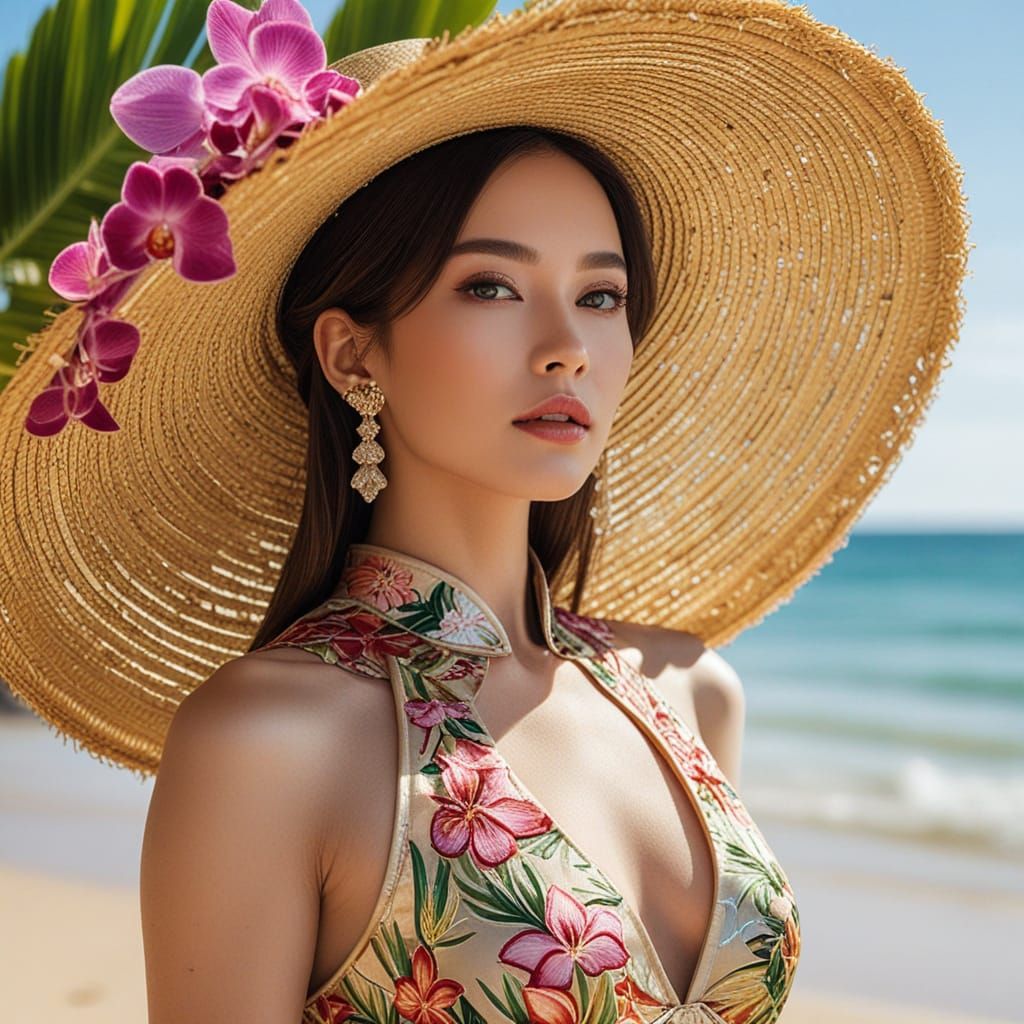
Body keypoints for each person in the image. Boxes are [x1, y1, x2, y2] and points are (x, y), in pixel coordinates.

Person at [0, 1, 969, 1022]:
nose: (567, 347)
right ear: (351, 353)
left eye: (601, 296)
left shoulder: (690, 693)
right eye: (493, 287)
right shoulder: (268, 740)